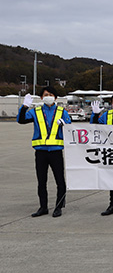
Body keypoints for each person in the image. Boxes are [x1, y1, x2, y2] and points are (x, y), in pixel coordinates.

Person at [17, 86, 72, 217]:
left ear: (56, 98)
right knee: (42, 181)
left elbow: (70, 125)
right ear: (41, 97)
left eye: (51, 94)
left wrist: (64, 123)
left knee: (60, 181)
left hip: (56, 151)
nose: (48, 96)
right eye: (46, 94)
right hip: (41, 152)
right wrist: (24, 107)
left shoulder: (61, 111)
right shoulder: (35, 111)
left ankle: (58, 207)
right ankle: (43, 207)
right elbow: (21, 120)